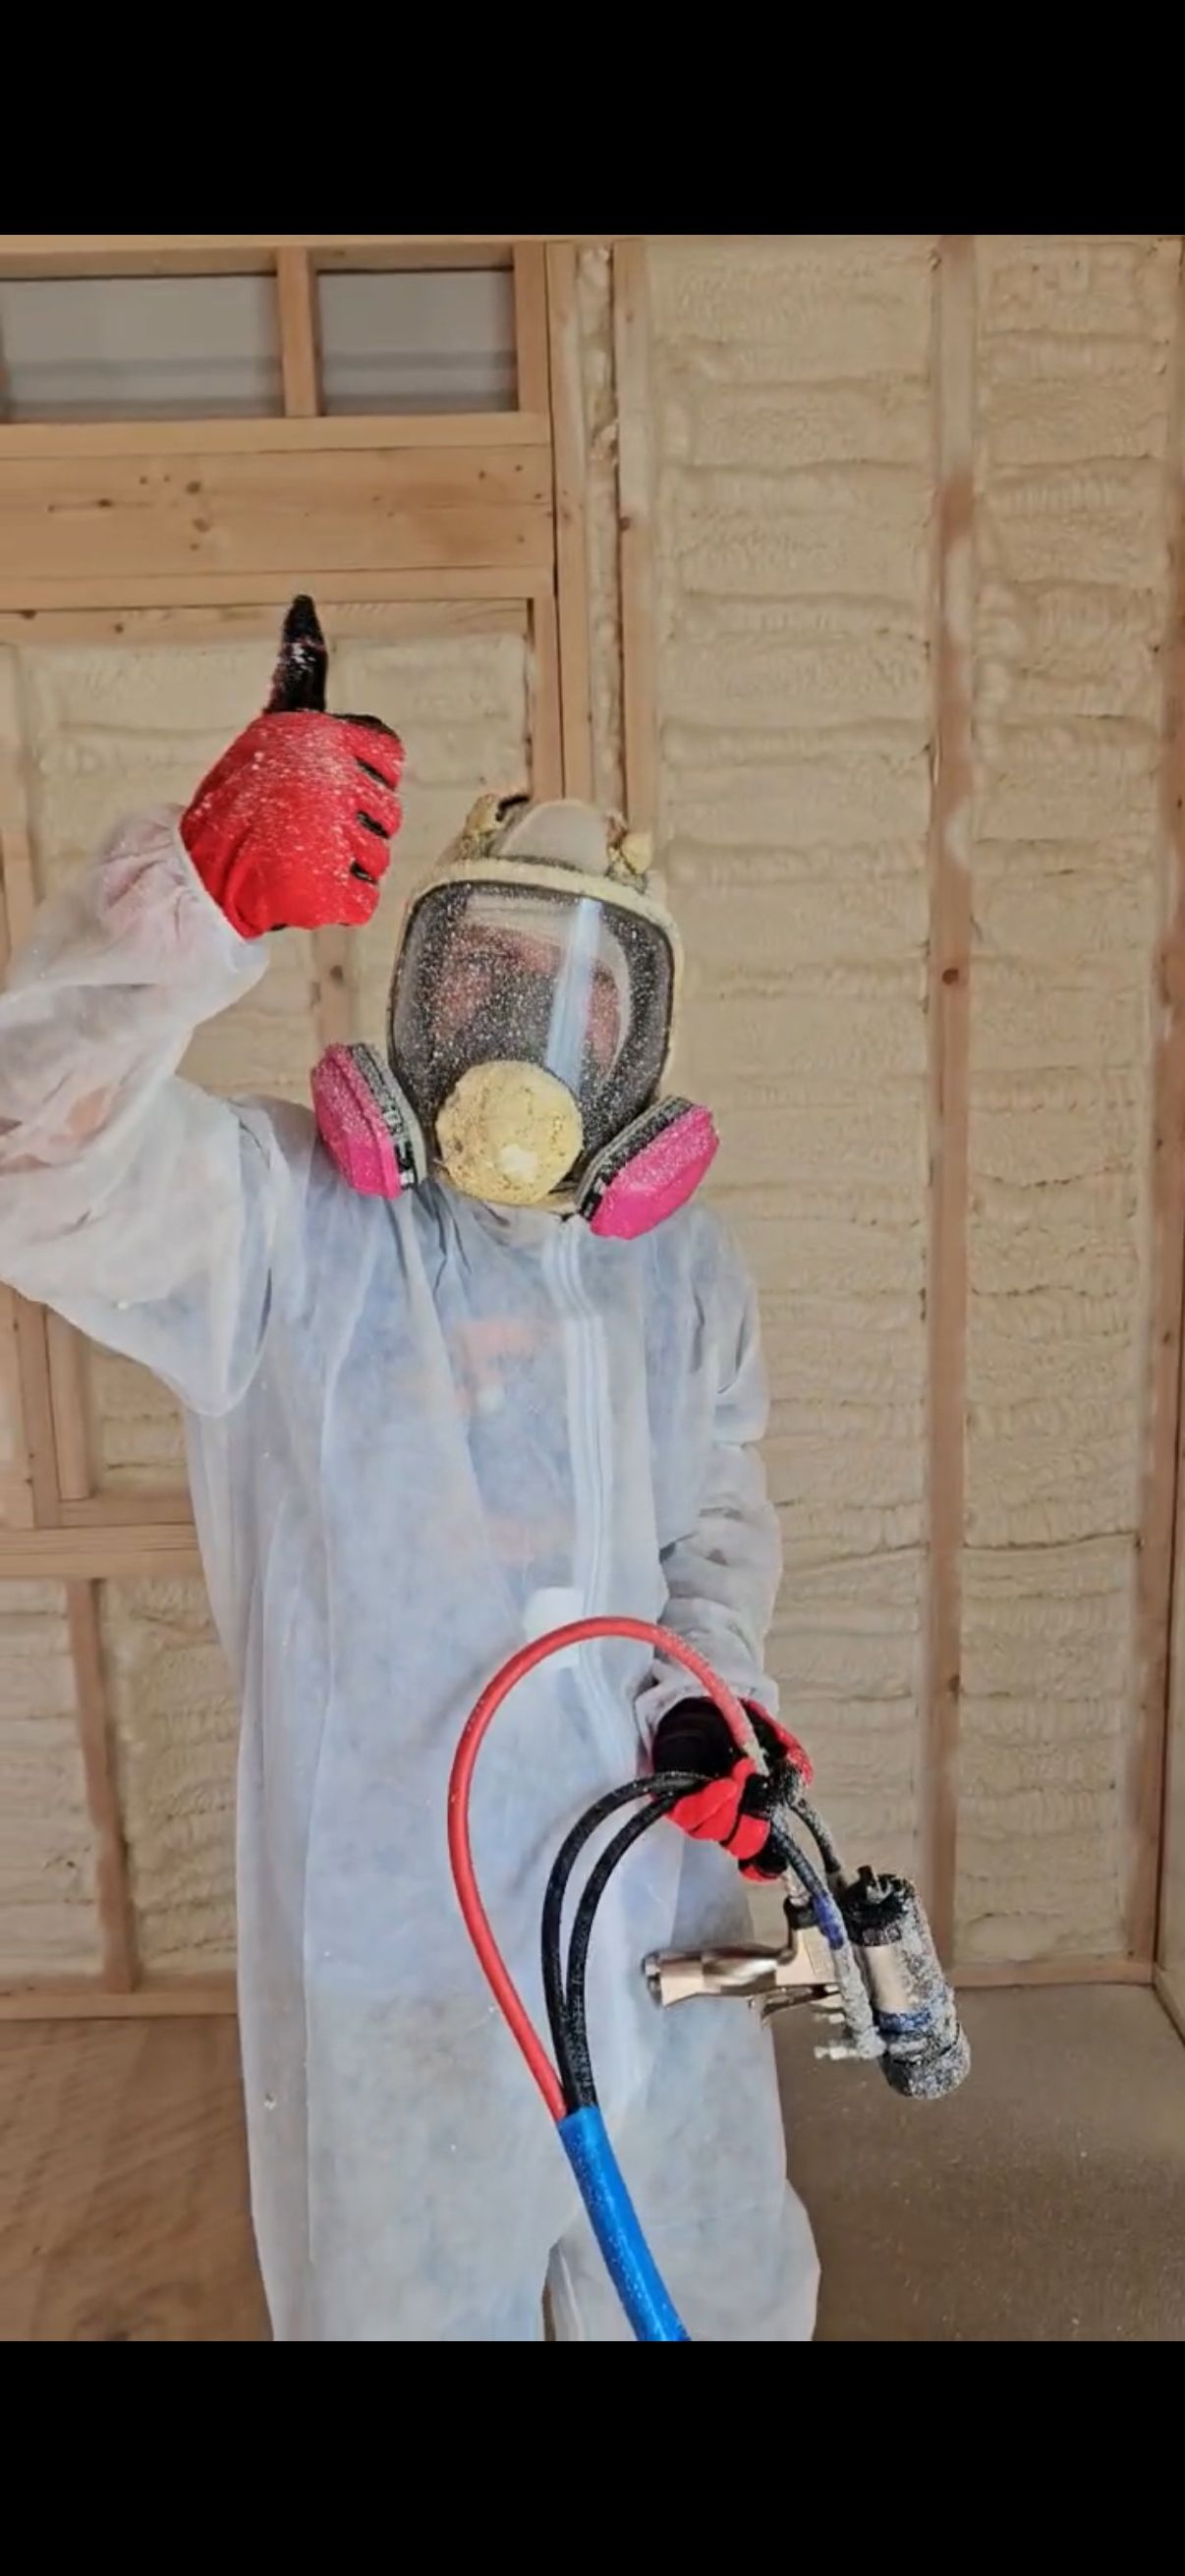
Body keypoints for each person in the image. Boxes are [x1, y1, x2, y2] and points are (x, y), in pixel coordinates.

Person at [0, 600, 818, 2342]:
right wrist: (192, 903)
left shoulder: (679, 1274)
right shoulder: (282, 1223)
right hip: (392, 1954)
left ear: (641, 1036)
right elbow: (25, 1154)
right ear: (412, 980)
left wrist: (712, 1701)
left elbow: (715, 1526)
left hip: (643, 1911)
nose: (523, 1034)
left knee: (709, 2297)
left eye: (576, 992)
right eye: (482, 975)